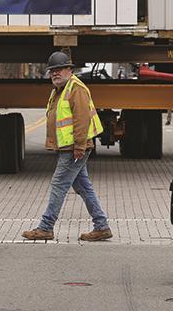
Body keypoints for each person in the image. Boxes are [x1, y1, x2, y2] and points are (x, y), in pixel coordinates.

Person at [23, 52, 112, 242]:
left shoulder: (75, 88)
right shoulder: (60, 89)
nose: (55, 73)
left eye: (59, 69)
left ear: (69, 70)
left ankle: (46, 227)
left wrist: (79, 146)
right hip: (69, 147)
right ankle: (102, 226)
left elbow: (81, 119)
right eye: (52, 71)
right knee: (84, 187)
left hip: (74, 148)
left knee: (58, 185)